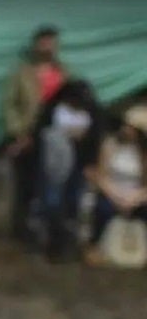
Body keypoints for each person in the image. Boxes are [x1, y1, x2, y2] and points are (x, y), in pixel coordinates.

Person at [4, 25, 69, 245]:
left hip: (57, 138)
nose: (47, 46)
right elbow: (10, 105)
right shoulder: (21, 73)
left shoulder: (64, 72)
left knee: (52, 186)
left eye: (51, 42)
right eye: (43, 42)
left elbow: (74, 103)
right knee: (26, 187)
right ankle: (22, 235)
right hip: (27, 137)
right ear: (35, 45)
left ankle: (51, 234)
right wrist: (18, 133)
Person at [31, 79, 103, 261]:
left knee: (73, 203)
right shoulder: (53, 109)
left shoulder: (92, 113)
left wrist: (91, 162)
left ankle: (68, 244)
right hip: (53, 165)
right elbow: (41, 133)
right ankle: (50, 241)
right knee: (51, 203)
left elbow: (95, 139)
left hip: (79, 165)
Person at [84, 105, 147, 260]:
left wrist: (135, 199)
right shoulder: (110, 145)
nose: (126, 130)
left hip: (135, 194)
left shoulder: (143, 154)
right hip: (112, 191)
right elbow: (101, 175)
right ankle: (95, 246)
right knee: (103, 208)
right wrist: (116, 196)